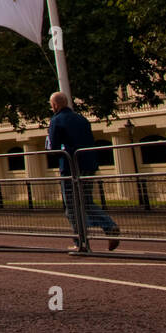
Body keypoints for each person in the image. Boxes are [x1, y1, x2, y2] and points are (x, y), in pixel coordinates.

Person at [46, 91, 120, 250]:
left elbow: (53, 147)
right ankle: (109, 226)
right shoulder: (82, 119)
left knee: (71, 206)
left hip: (70, 167)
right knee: (86, 202)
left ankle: (80, 241)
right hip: (88, 164)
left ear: (55, 105)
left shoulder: (56, 120)